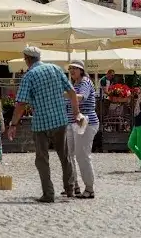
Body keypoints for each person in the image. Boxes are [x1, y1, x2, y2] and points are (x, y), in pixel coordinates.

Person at [7, 46, 81, 203]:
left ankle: (48, 194)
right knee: (65, 156)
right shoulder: (55, 68)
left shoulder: (30, 76)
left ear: (27, 59)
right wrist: (76, 113)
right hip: (60, 120)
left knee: (42, 159)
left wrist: (13, 124)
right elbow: (72, 92)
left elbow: (21, 103)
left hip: (41, 123)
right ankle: (70, 189)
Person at [65, 60, 99, 199]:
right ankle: (74, 185)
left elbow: (79, 98)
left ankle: (89, 188)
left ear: (81, 70)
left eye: (75, 68)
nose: (72, 71)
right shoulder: (75, 84)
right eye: (70, 68)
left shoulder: (85, 82)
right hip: (72, 122)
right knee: (69, 154)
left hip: (85, 122)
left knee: (82, 155)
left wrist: (63, 94)